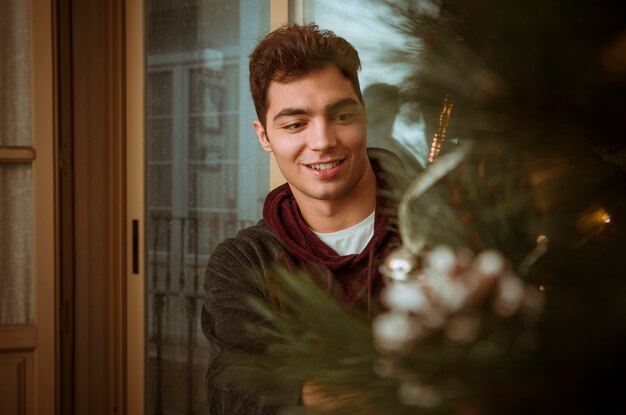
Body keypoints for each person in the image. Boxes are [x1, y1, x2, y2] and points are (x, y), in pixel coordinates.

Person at [201, 23, 401, 414]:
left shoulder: (436, 225)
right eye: (295, 124)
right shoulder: (243, 263)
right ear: (264, 137)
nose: (323, 140)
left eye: (342, 116)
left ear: (363, 117)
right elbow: (235, 392)